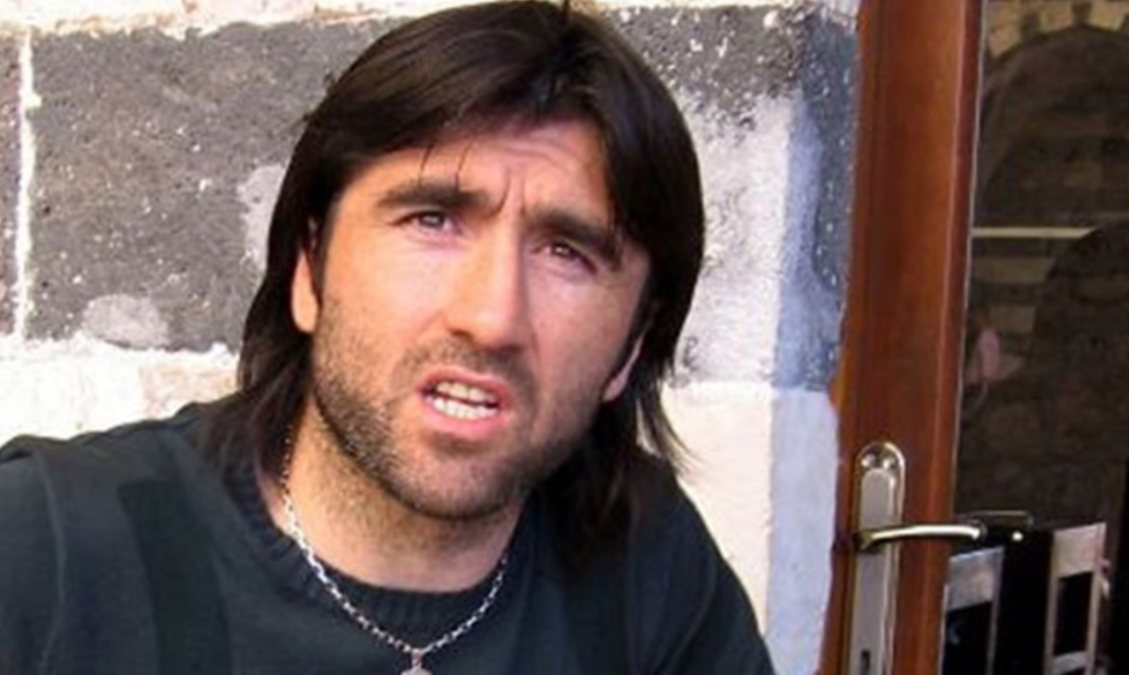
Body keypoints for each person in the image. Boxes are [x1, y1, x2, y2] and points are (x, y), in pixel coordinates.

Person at [0, 1, 774, 673]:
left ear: (633, 345)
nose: (491, 317)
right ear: (310, 267)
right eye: (433, 219)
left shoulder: (651, 576)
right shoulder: (45, 548)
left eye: (567, 252)